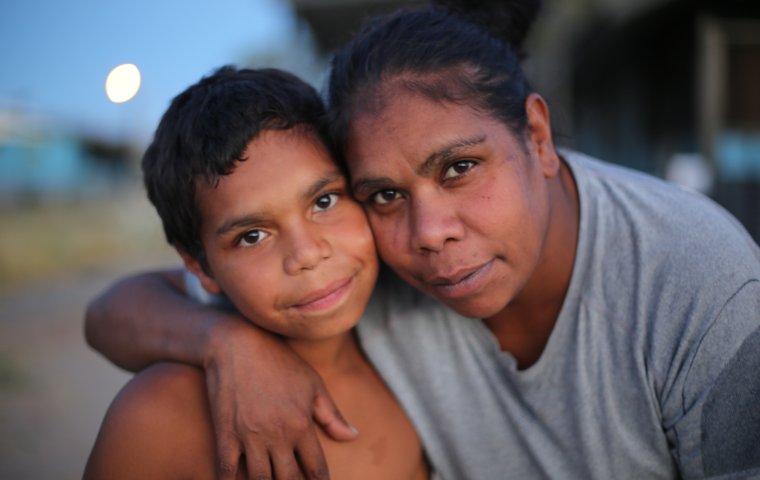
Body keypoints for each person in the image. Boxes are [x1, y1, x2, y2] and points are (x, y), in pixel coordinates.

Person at [85, 4, 760, 479]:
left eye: (461, 168)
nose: (429, 233)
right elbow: (113, 311)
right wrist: (224, 344)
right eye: (382, 194)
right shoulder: (362, 268)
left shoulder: (700, 284)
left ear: (539, 137)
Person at [82, 66, 431, 480]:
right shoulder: (160, 414)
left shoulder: (414, 353)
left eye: (324, 201)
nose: (305, 254)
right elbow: (105, 313)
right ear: (200, 266)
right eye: (252, 236)